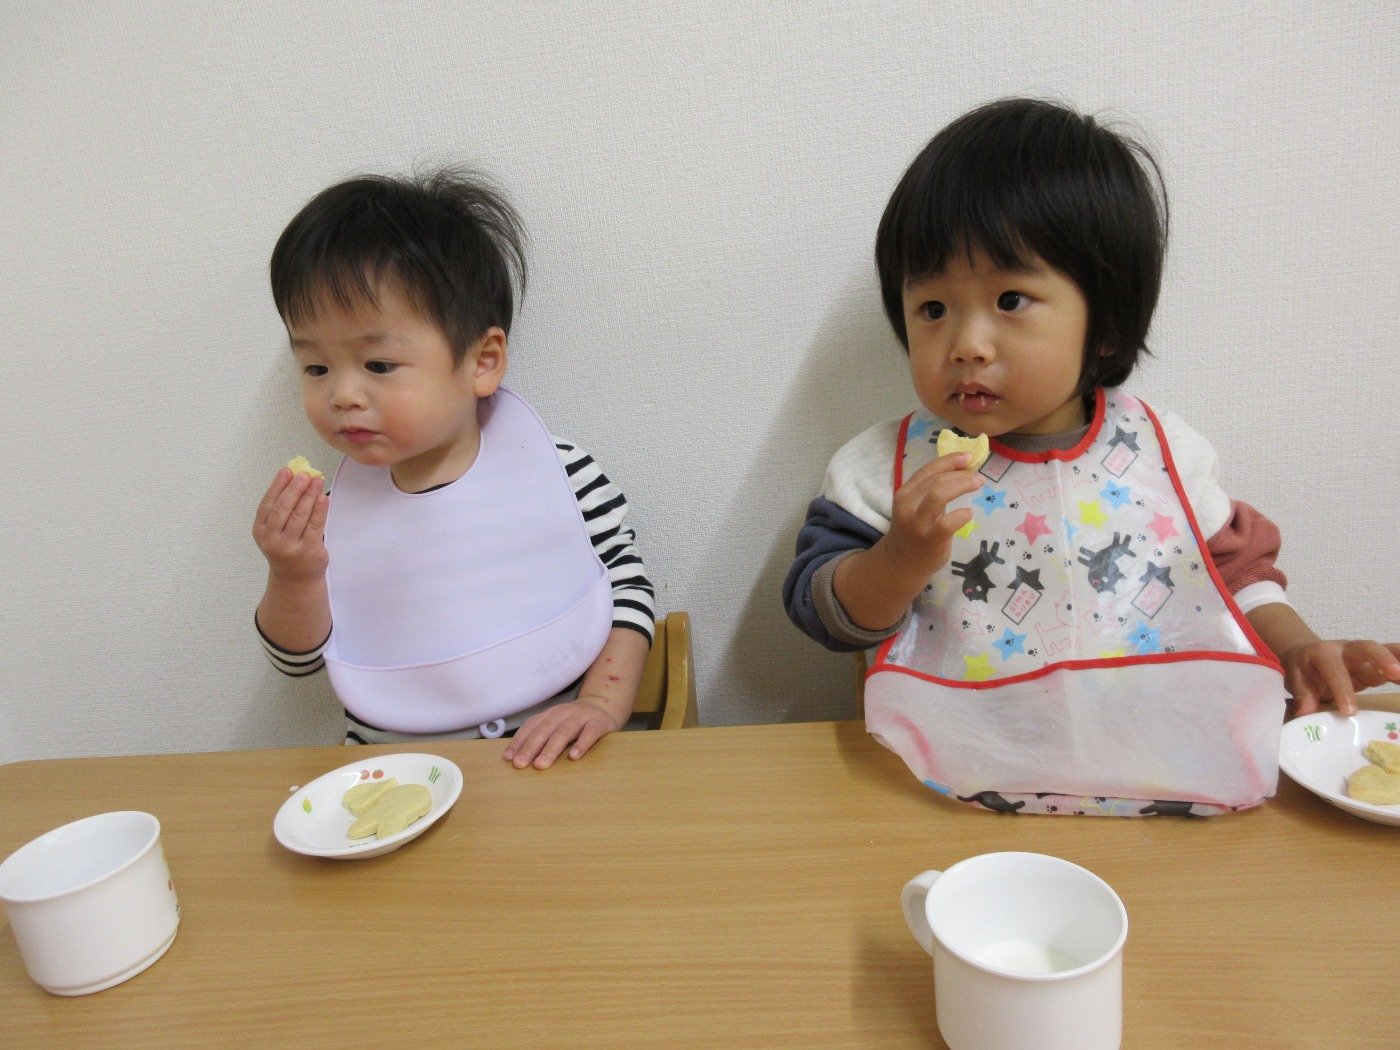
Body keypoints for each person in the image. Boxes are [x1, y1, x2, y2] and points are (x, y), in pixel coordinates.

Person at [783, 98, 1399, 816]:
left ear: (1105, 325)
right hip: (953, 782)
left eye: (1010, 299)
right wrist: (896, 561)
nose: (966, 344)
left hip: (1159, 774)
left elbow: (1235, 576)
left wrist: (1296, 647)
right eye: (933, 309)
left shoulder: (1163, 453)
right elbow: (822, 613)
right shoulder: (882, 468)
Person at [253, 169, 655, 768]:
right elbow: (299, 660)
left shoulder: (558, 474)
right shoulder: (329, 517)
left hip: (556, 759)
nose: (343, 395)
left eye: (378, 364)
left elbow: (624, 587)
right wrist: (293, 574)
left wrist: (600, 704)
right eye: (316, 368)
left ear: (483, 361)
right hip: (398, 777)